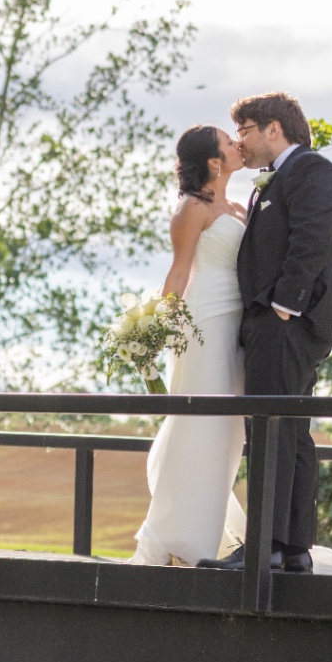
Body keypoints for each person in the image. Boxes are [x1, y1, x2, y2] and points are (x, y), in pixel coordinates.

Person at [196, 92, 332, 574]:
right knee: (290, 431)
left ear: (274, 129)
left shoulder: (312, 171)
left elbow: (312, 241)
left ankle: (264, 546)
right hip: (281, 324)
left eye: (244, 130)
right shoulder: (275, 181)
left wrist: (283, 309)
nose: (241, 143)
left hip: (289, 323)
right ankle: (291, 550)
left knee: (268, 427)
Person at [128, 125, 248, 566]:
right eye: (228, 142)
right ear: (215, 161)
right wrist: (154, 336)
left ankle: (210, 526)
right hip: (202, 324)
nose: (238, 145)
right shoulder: (191, 208)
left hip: (237, 326)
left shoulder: (238, 206)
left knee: (229, 430)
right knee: (201, 424)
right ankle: (181, 536)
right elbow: (178, 274)